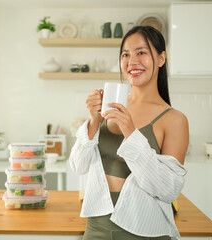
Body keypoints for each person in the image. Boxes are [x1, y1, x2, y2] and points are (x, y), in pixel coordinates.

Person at [69, 25, 189, 240]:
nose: (132, 61)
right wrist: (93, 121)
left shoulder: (174, 119)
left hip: (147, 230)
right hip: (96, 228)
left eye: (141, 52)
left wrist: (131, 133)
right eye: (125, 54)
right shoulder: (109, 107)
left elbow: (169, 190)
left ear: (161, 58)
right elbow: (78, 165)